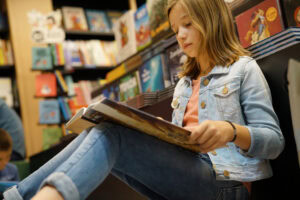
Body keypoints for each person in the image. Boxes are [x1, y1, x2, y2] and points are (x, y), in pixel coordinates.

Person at [4, 0, 284, 199]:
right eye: (175, 30)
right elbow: (184, 144)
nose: (181, 35)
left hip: (226, 184)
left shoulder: (243, 69)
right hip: (191, 175)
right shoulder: (184, 84)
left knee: (113, 134)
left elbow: (274, 141)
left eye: (187, 24)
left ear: (211, 19)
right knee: (101, 129)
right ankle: (16, 196)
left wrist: (231, 131)